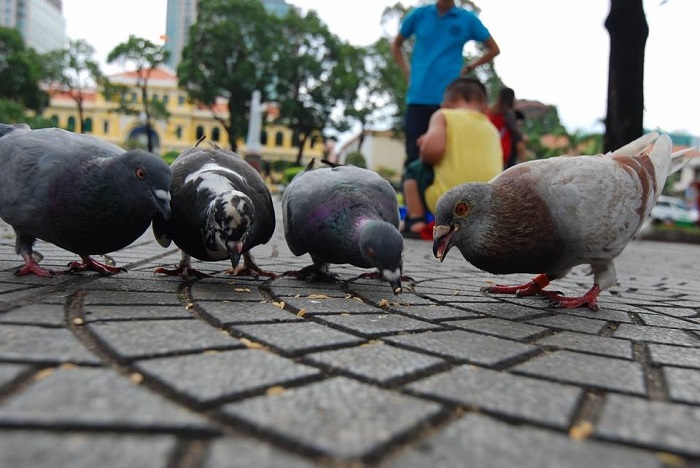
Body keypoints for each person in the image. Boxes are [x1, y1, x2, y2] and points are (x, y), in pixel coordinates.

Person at [391, 0, 500, 171]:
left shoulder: (467, 19)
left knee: (450, 155)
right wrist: (407, 72)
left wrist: (470, 67)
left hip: (451, 101)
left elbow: (494, 49)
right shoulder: (419, 15)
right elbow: (396, 44)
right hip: (419, 96)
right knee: (414, 155)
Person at [401, 77, 502, 238]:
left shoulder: (443, 115)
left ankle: (416, 221)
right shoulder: (492, 128)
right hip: (485, 210)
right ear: (485, 108)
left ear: (445, 103)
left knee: (413, 169)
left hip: (449, 204)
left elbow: (432, 152)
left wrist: (424, 145)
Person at [488, 87, 523, 169]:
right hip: (504, 149)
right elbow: (515, 131)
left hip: (491, 146)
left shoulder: (491, 111)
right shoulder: (508, 112)